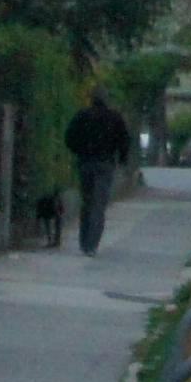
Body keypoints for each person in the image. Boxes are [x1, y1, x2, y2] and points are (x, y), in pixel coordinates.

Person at [66, 90, 140, 257]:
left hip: (85, 162)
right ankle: (92, 245)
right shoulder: (115, 118)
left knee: (87, 202)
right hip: (105, 163)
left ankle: (84, 241)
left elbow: (69, 137)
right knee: (99, 205)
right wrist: (121, 160)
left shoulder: (82, 116)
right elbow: (124, 140)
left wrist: (79, 151)